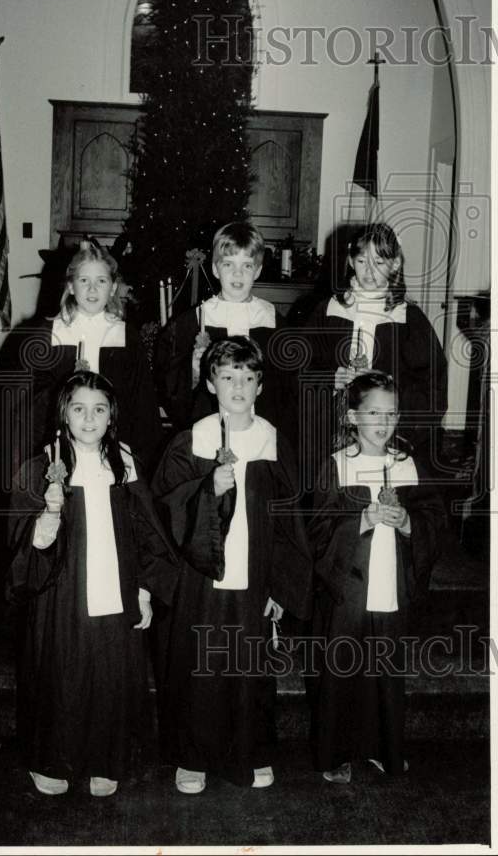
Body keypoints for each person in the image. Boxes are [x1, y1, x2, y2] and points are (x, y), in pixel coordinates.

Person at [152, 337, 313, 793]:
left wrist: (281, 586)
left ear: (260, 385)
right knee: (198, 665)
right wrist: (207, 488)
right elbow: (164, 509)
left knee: (248, 667)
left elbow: (290, 520)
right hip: (200, 577)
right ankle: (193, 758)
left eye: (247, 377)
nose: (238, 386)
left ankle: (251, 752)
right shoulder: (192, 439)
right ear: (210, 382)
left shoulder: (272, 441)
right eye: (227, 377)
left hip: (254, 574)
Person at [7, 370, 179, 797]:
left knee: (110, 674)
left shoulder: (124, 464)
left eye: (99, 409)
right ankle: (54, 760)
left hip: (115, 587)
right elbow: (21, 545)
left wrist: (143, 593)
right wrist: (47, 516)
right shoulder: (41, 466)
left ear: (111, 416)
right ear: (64, 413)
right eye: (79, 409)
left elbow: (146, 535)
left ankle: (107, 758)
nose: (89, 419)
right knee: (61, 671)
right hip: (61, 591)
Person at [306, 370, 445, 783]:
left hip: (392, 584)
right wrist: (362, 519)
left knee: (386, 670)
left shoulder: (407, 465)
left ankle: (383, 747)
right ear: (352, 417)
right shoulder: (336, 466)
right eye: (373, 413)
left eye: (392, 414)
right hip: (347, 587)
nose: (383, 423)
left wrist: (407, 523)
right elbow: (315, 531)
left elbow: (434, 521)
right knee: (342, 669)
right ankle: (335, 754)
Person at [0, 239, 164, 479]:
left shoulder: (125, 337)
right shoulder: (47, 334)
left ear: (113, 288)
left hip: (114, 447)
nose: (92, 290)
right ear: (71, 286)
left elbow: (142, 406)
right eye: (84, 281)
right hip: (57, 446)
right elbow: (22, 403)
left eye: (101, 281)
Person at [295, 222, 448, 493]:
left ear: (396, 264)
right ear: (350, 261)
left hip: (387, 429)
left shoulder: (408, 319)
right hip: (332, 425)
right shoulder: (329, 310)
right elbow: (300, 364)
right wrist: (330, 378)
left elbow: (432, 382)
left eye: (379, 261)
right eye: (362, 260)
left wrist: (390, 391)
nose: (370, 270)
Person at [154, 221, 297, 443]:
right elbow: (170, 383)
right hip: (208, 427)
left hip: (262, 429)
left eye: (247, 266)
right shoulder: (195, 320)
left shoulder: (272, 320)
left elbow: (288, 387)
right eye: (228, 264)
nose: (237, 274)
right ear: (214, 269)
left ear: (257, 270)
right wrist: (192, 369)